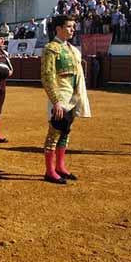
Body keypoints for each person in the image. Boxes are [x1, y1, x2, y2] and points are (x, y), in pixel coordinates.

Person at [40, 15, 91, 184]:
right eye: (69, 26)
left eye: (73, 26)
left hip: (73, 96)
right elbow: (47, 76)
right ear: (58, 29)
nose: (72, 29)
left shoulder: (72, 49)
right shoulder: (51, 48)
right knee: (54, 133)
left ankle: (60, 167)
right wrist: (56, 101)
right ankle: (49, 171)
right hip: (61, 97)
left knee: (65, 132)